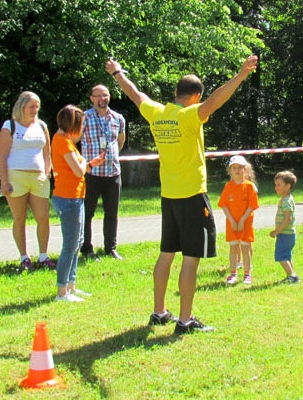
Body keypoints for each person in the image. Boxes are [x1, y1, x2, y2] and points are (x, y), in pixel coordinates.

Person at [107, 54, 259, 334]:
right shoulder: (190, 116)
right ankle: (185, 321)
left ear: (176, 93)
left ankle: (159, 311)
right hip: (192, 196)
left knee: (166, 254)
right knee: (191, 258)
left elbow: (135, 94)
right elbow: (216, 100)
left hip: (170, 196)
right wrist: (241, 74)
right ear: (195, 95)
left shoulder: (157, 112)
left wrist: (117, 72)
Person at [50, 105, 106, 302]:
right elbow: (78, 170)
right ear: (71, 124)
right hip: (68, 198)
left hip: (74, 196)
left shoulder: (65, 141)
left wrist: (90, 163)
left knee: (77, 243)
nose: (82, 129)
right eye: (80, 125)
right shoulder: (62, 141)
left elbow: (80, 167)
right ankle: (61, 292)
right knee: (70, 245)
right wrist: (85, 165)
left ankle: (70, 286)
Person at [0, 91, 57, 272]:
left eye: (37, 106)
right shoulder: (10, 126)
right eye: (31, 106)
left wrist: (47, 173)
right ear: (22, 106)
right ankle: (24, 257)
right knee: (19, 218)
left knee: (43, 217)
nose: (34, 110)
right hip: (16, 177)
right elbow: (3, 155)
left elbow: (47, 153)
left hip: (38, 177)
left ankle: (43, 255)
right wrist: (4, 181)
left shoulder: (41, 126)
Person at [80, 84, 126, 262]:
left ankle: (111, 248)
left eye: (105, 95)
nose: (102, 99)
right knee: (87, 213)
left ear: (109, 97)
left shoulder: (118, 118)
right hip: (91, 173)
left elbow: (120, 141)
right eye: (97, 96)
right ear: (91, 98)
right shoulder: (84, 118)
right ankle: (87, 249)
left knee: (112, 213)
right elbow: (75, 140)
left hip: (113, 172)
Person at [219, 155, 259, 285]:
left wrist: (242, 220)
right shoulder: (228, 186)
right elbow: (224, 205)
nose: (237, 171)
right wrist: (231, 220)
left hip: (245, 224)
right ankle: (233, 273)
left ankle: (247, 274)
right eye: (234, 168)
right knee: (233, 248)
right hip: (232, 224)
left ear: (245, 170)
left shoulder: (249, 186)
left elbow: (252, 205)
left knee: (245, 248)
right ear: (230, 171)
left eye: (240, 168)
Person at [270, 170, 300, 284]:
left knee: (281, 255)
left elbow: (287, 219)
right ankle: (291, 275)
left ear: (288, 186)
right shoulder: (286, 199)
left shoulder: (286, 201)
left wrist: (277, 231)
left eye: (279, 185)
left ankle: (292, 276)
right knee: (287, 255)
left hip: (285, 234)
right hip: (288, 234)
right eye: (275, 184)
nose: (276, 187)